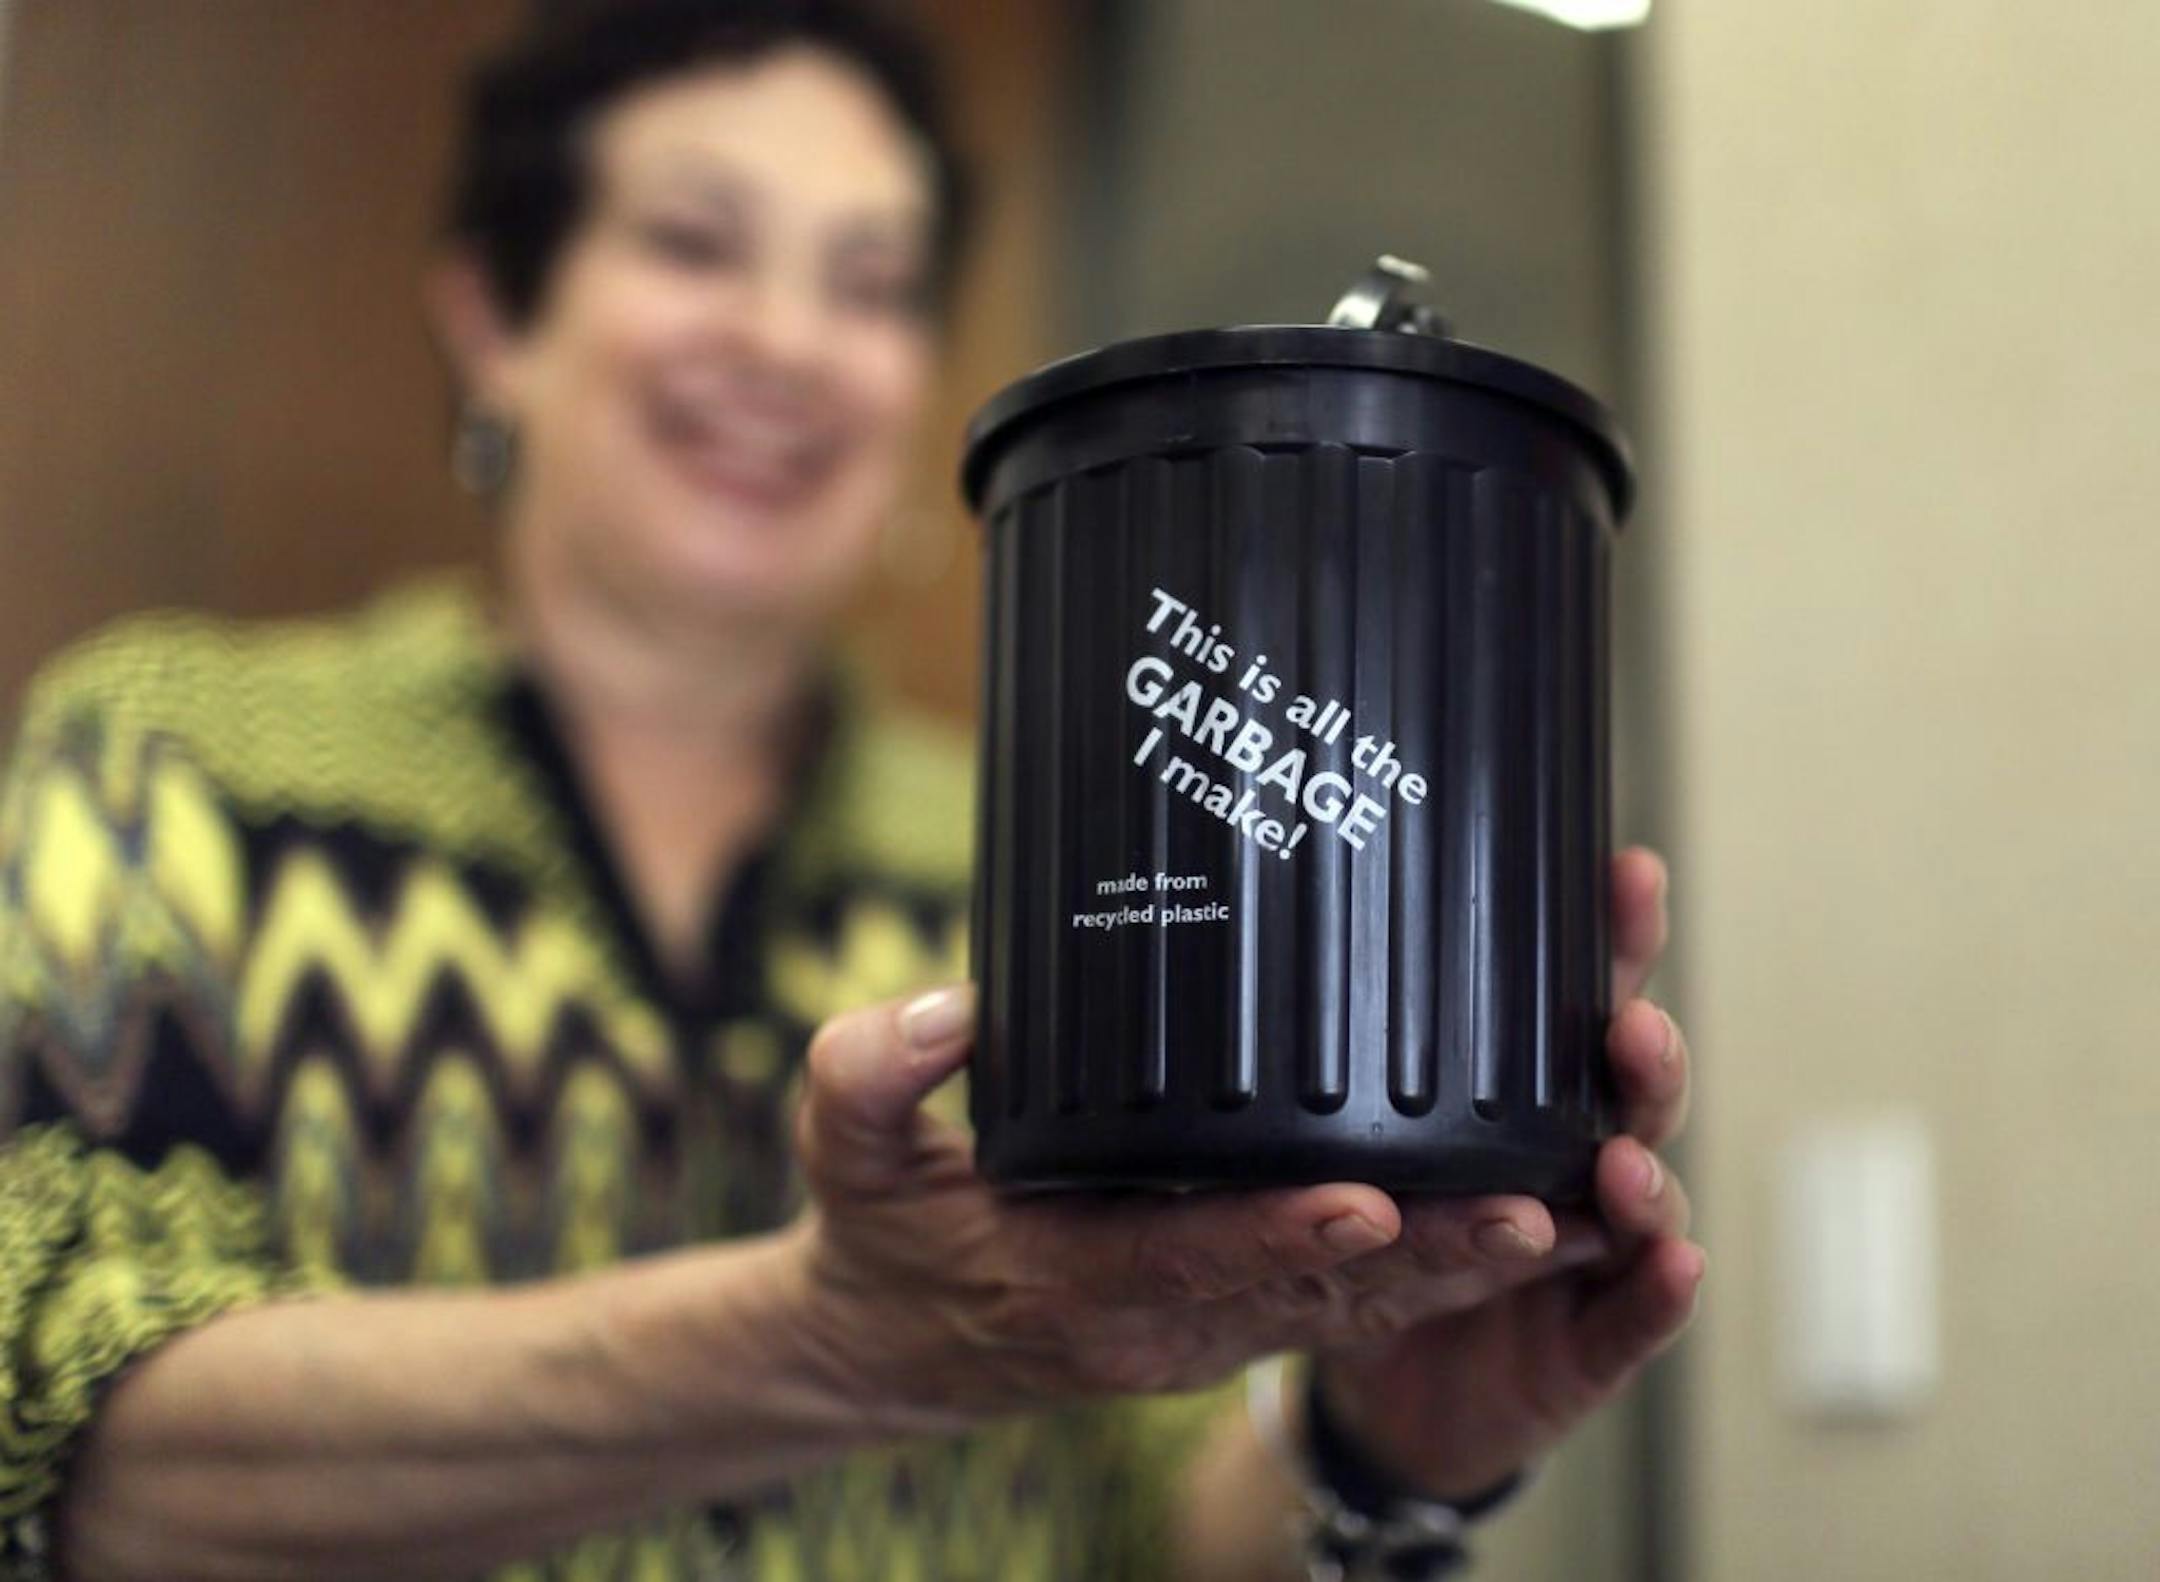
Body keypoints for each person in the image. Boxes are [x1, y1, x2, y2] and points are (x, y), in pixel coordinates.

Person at [0, 2, 1703, 1578]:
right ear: (496, 317)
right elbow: (62, 1434)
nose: (788, 342)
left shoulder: (1057, 851)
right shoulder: (185, 755)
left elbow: (1150, 1519)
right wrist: (818, 1341)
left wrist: (1376, 1442)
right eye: (693, 243)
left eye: (870, 281)